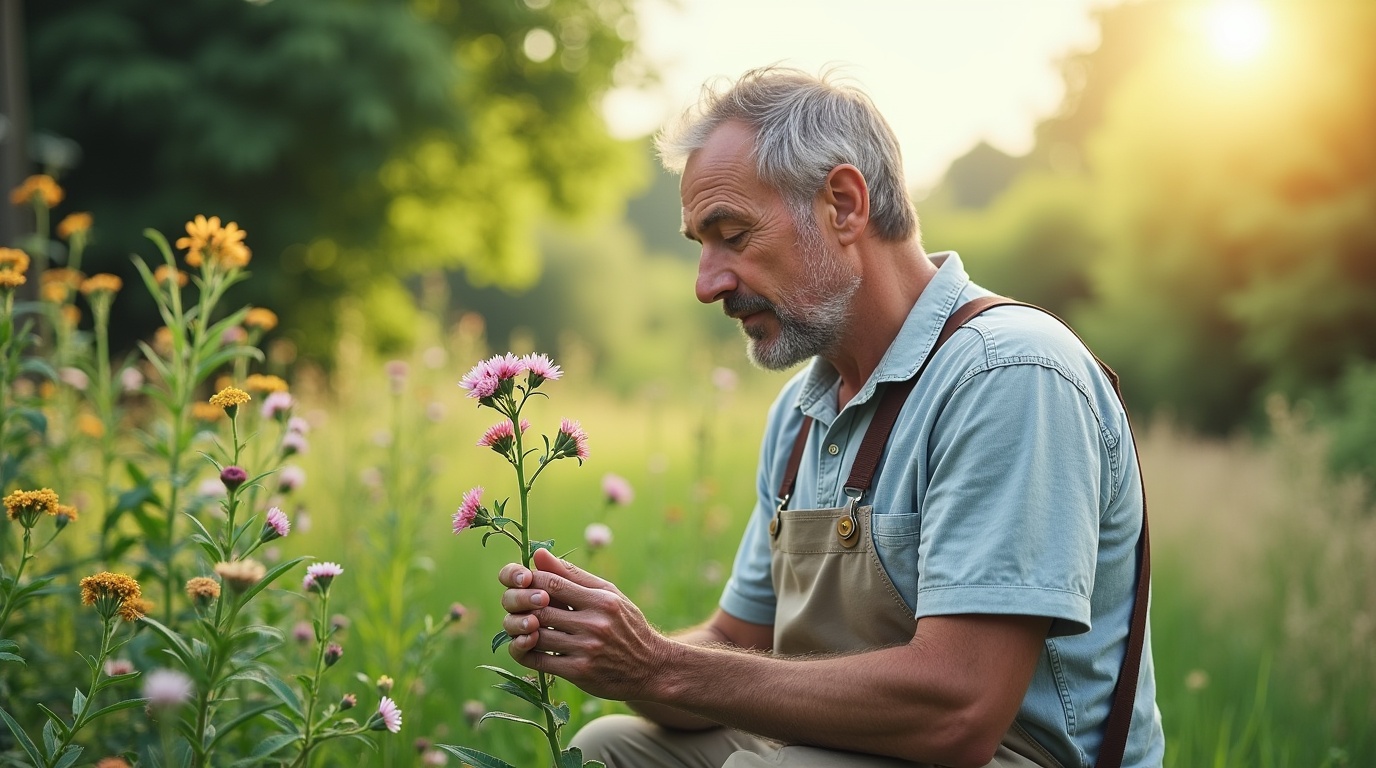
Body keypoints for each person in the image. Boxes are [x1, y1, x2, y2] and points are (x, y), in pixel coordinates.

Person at [497, 67, 1165, 768]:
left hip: (1010, 754)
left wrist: (659, 665)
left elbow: (961, 710)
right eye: (700, 243)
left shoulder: (1008, 375)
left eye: (732, 234)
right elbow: (734, 644)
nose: (707, 284)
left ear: (844, 205)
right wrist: (606, 646)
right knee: (611, 749)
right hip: (853, 748)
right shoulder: (802, 414)